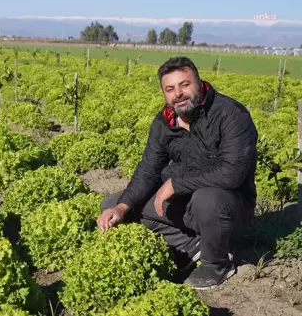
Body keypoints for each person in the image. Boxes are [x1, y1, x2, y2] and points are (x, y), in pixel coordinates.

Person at [97, 56, 258, 290]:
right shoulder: (165, 122)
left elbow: (232, 173)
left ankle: (216, 265)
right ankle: (194, 246)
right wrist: (121, 207)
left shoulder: (230, 115)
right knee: (115, 203)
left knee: (208, 199)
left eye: (185, 85)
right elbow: (148, 170)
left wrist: (175, 184)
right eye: (170, 89)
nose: (178, 94)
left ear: (199, 83)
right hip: (188, 203)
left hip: (230, 207)